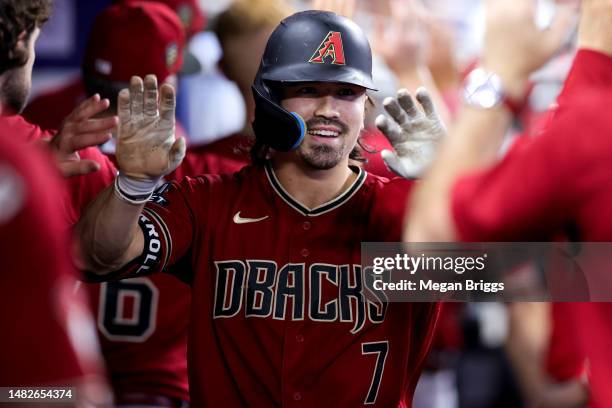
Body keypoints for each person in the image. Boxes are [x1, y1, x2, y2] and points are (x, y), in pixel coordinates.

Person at [76, 10, 440, 406]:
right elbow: (94, 258)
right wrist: (133, 184)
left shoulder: (400, 210)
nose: (328, 109)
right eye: (308, 89)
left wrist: (448, 190)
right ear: (270, 99)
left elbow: (503, 279)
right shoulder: (210, 203)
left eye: (345, 92)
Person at [376, 0, 612, 406]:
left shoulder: (590, 132)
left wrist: (498, 75)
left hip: (458, 352)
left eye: (343, 92)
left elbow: (425, 262)